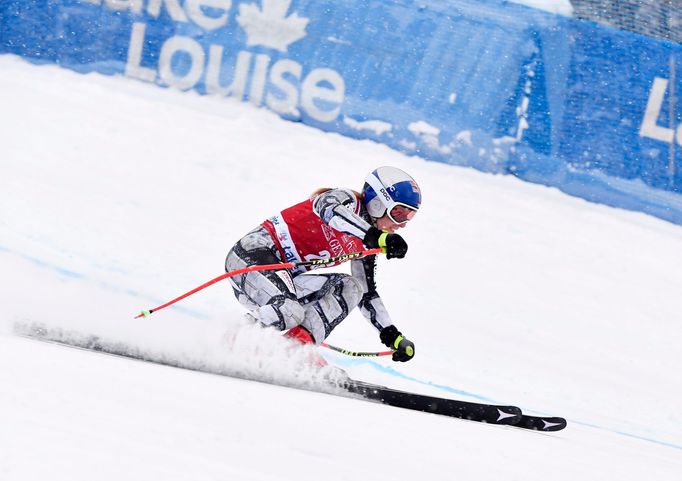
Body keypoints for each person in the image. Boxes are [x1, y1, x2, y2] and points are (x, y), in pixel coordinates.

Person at [225, 166, 421, 362]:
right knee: (289, 310)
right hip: (251, 256)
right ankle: (230, 341)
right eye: (399, 212)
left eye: (409, 216)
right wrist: (376, 237)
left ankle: (294, 350)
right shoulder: (347, 201)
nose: (402, 223)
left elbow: (367, 293)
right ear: (378, 203)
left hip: (279, 282)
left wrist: (391, 335)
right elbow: (328, 210)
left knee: (351, 287)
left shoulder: (367, 239)